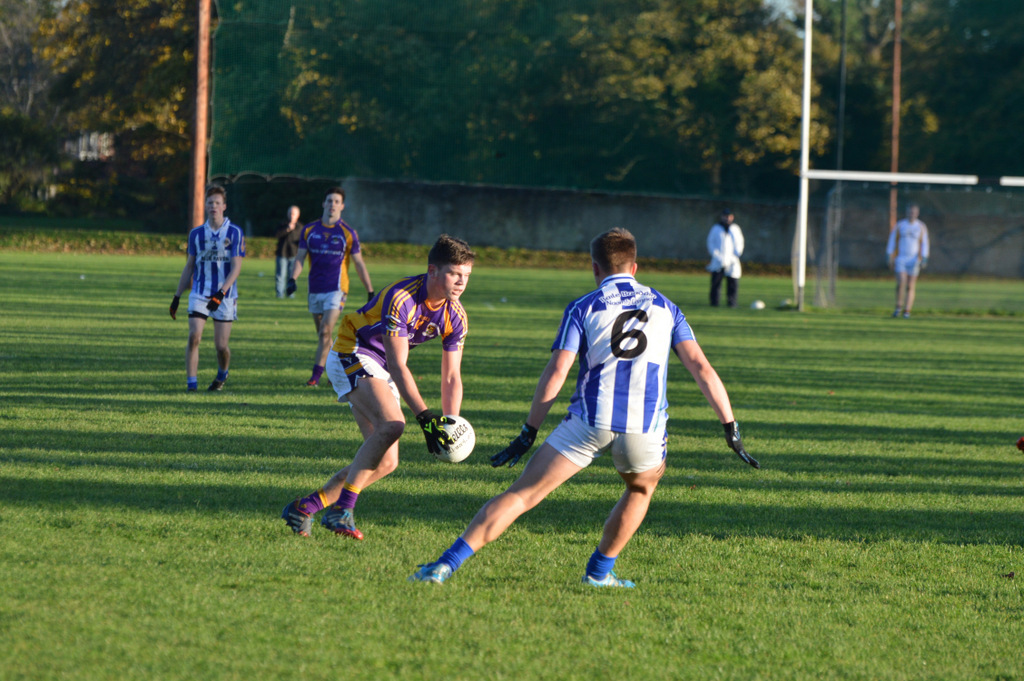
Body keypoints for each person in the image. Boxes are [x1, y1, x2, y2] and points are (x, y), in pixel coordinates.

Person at [409, 227, 759, 588]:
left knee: (522, 494)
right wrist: (729, 426)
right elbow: (701, 368)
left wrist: (529, 431)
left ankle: (445, 566)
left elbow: (558, 371)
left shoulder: (584, 306)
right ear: (634, 267)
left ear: (595, 268)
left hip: (589, 422)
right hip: (645, 429)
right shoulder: (667, 307)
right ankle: (598, 573)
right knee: (640, 489)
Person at [281, 234, 475, 540]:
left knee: (385, 461)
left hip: (379, 366)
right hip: (351, 350)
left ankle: (304, 507)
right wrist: (425, 417)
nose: (461, 282)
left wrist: (449, 425)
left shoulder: (456, 315)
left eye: (466, 275)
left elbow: (452, 376)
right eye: (454, 273)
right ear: (433, 270)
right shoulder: (403, 296)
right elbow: (399, 365)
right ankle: (342, 510)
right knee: (393, 424)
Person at [287, 187, 374, 386]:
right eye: (329, 200)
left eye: (336, 201)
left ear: (342, 206)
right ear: (323, 204)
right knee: (322, 335)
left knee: (326, 330)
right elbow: (300, 257)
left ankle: (315, 377)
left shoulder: (348, 233)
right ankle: (338, 365)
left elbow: (359, 263)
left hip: (337, 289)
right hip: (315, 289)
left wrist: (369, 289)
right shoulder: (309, 230)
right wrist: (293, 278)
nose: (332, 204)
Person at [169, 185, 246, 392]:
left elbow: (237, 267)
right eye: (210, 202)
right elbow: (189, 266)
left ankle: (222, 374)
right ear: (205, 205)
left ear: (224, 206)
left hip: (225, 295)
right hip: (200, 293)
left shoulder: (234, 233)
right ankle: (191, 385)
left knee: (221, 346)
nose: (213, 206)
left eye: (217, 203)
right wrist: (177, 296)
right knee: (194, 336)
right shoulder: (196, 234)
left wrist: (221, 293)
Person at [886, 203, 930, 319]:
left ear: (917, 213)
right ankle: (898, 307)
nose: (912, 214)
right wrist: (889, 255)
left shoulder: (921, 226)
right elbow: (892, 241)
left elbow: (925, 243)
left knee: (910, 285)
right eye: (910, 212)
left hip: (914, 260)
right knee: (901, 282)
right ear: (907, 213)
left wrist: (924, 257)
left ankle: (907, 311)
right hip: (901, 258)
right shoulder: (900, 225)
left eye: (914, 212)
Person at [706, 208, 745, 307]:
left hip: (732, 260)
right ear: (722, 217)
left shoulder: (735, 228)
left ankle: (732, 302)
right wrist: (716, 255)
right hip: (719, 260)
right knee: (716, 283)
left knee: (732, 283)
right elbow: (711, 242)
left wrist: (736, 254)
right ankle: (714, 302)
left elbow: (739, 242)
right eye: (725, 216)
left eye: (729, 216)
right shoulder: (716, 228)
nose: (727, 218)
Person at [274, 205, 302, 298]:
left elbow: (302, 242)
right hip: (282, 253)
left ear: (298, 215)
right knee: (280, 276)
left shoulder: (300, 228)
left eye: (293, 214)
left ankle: (290, 294)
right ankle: (279, 295)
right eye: (290, 213)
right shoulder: (282, 225)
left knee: (292, 276)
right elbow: (277, 235)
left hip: (294, 254)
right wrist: (287, 229)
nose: (291, 215)